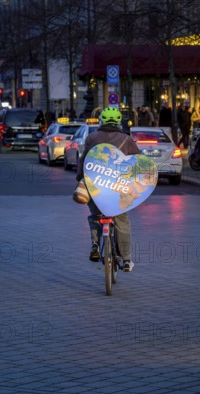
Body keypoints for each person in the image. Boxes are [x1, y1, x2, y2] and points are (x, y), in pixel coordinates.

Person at [76, 107, 140, 272]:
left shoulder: (91, 138)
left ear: (102, 121)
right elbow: (137, 161)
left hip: (95, 188)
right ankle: (126, 260)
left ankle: (96, 245)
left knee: (95, 215)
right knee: (122, 221)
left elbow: (84, 162)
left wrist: (79, 178)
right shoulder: (127, 139)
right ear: (119, 122)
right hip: (118, 190)